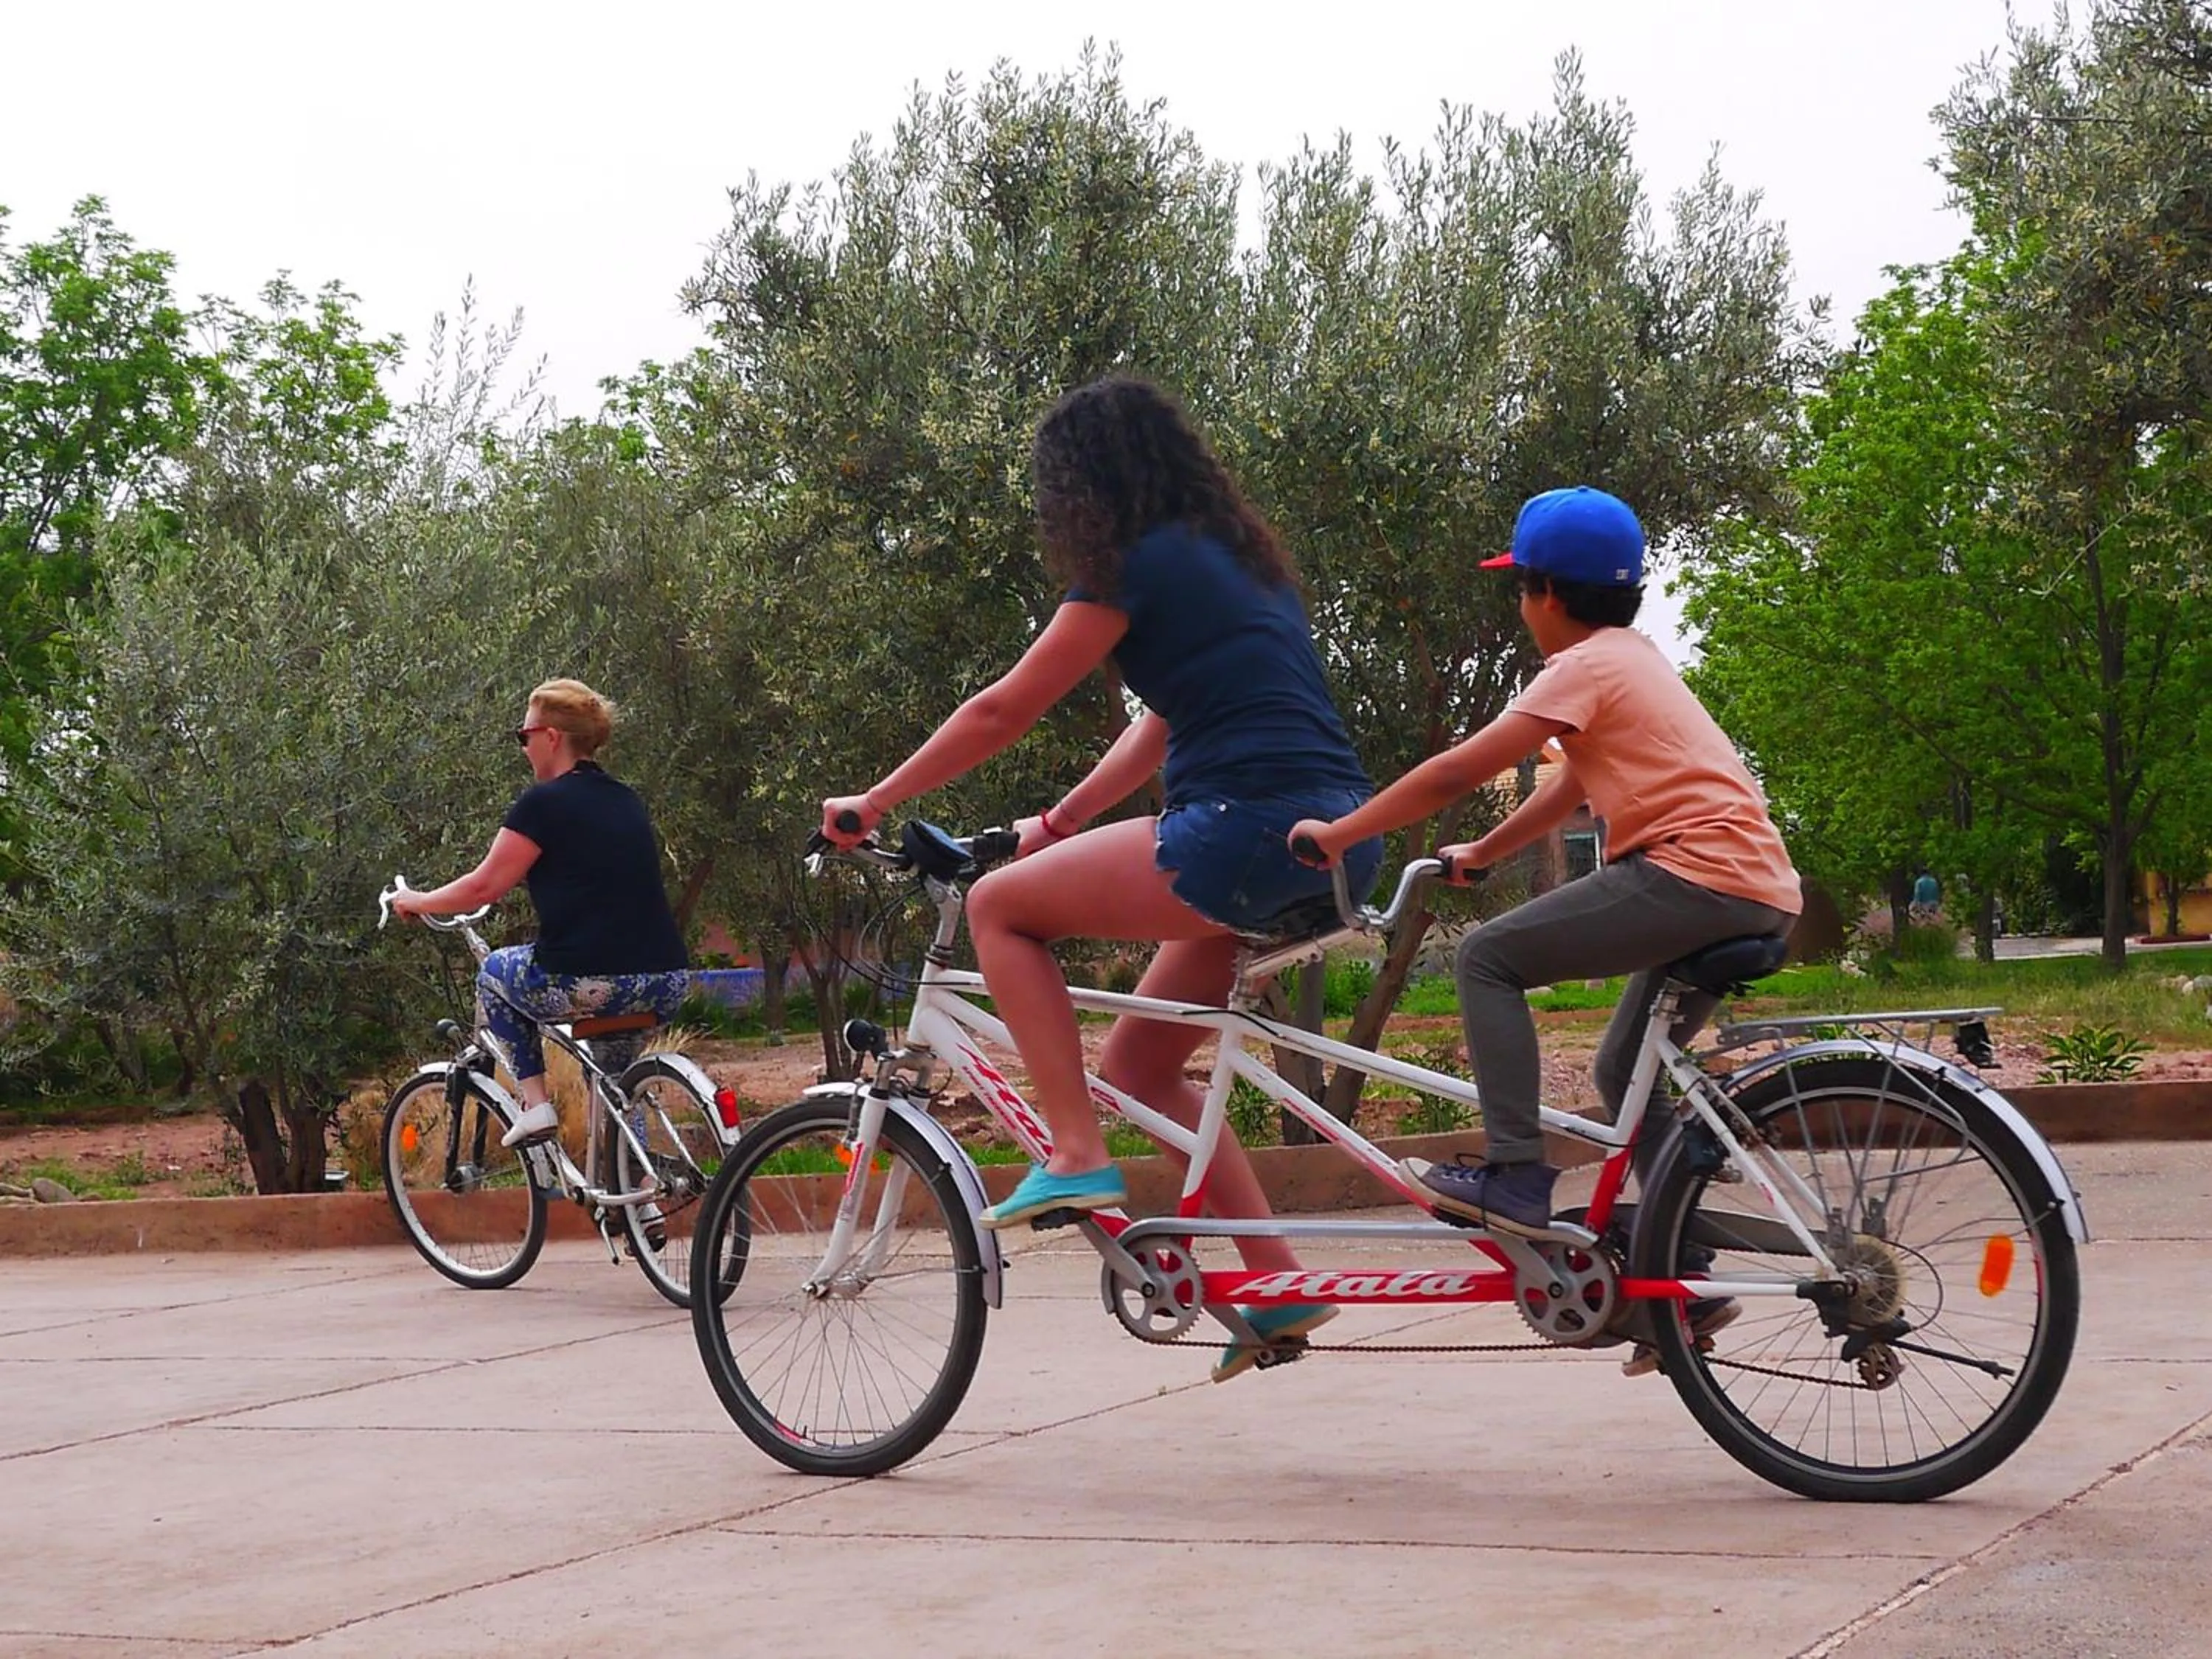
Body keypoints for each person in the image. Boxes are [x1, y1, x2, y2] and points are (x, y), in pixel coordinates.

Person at [821, 375, 1384, 1382]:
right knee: (1140, 1066)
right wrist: (1057, 823)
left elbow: (1003, 709)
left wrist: (876, 797)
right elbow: (1159, 725)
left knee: (997, 906)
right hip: (1336, 836)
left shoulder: (1133, 564)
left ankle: (1075, 1153)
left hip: (1242, 832)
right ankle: (1276, 1281)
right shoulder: (1237, 564)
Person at [1289, 486, 1801, 1374]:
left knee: (1487, 957)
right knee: (1621, 1069)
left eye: (1520, 590)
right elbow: (1569, 786)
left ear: (1549, 593)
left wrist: (1340, 835)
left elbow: (1457, 771)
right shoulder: (1633, 660)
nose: (1521, 609)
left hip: (1692, 876)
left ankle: (1517, 1176)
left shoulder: (1582, 667)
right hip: (1756, 888)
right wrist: (1485, 852)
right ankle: (1679, 1265)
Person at [392, 678, 690, 1148]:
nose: (523, 747)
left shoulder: (542, 803)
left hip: (590, 981)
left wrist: (416, 900)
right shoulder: (625, 798)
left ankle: (536, 1106)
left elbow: (484, 886)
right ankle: (639, 1186)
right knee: (616, 1079)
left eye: (524, 735)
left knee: (494, 973)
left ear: (551, 737)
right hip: (665, 978)